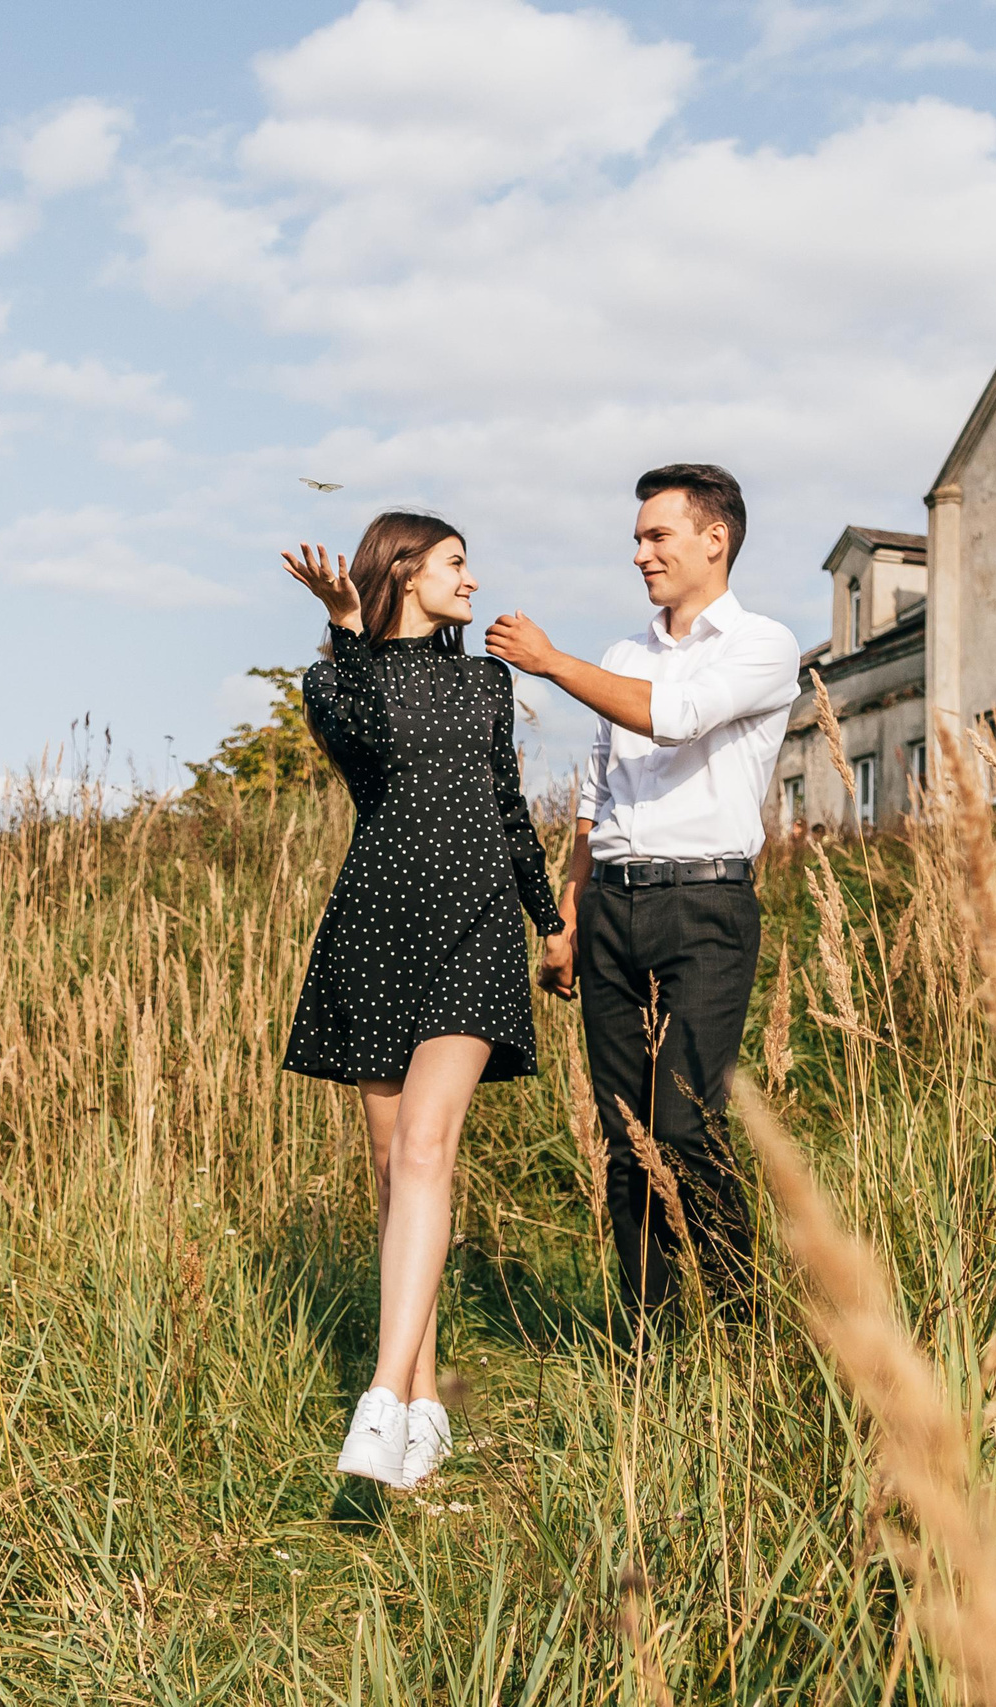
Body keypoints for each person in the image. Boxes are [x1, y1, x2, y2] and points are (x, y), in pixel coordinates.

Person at [281, 511, 565, 1488]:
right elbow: (363, 742)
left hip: (476, 927)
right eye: (455, 563)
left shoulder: (486, 682)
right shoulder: (333, 681)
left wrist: (548, 918)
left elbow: (507, 807)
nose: (472, 580)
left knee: (426, 1146)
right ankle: (426, 1403)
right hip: (378, 929)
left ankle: (381, 1394)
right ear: (403, 571)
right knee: (394, 1172)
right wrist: (346, 628)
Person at [485, 464, 800, 1314]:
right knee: (627, 1139)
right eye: (637, 538)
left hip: (705, 907)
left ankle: (740, 1325)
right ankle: (645, 1342)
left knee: (686, 1127)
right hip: (612, 906)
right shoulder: (625, 655)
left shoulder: (763, 644)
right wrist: (568, 912)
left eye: (657, 535)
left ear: (714, 539)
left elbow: (677, 715)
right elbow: (596, 793)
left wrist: (550, 662)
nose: (640, 554)